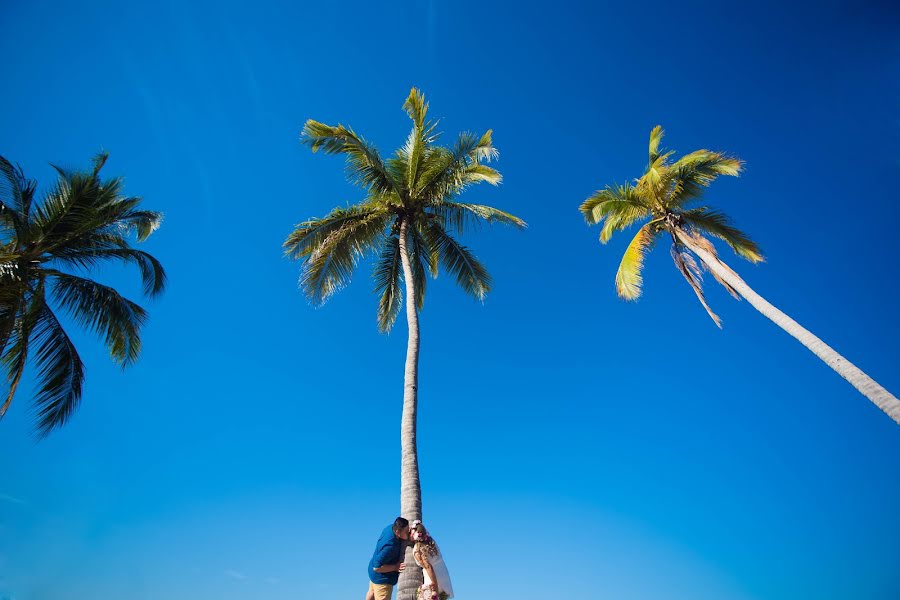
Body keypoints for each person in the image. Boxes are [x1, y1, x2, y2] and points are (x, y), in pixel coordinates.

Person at [366, 517, 410, 600]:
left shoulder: (389, 528)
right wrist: (395, 567)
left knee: (371, 593)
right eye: (406, 532)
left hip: (373, 574)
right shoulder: (390, 547)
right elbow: (377, 568)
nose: (408, 533)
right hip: (381, 580)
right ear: (397, 532)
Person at [411, 520, 454, 600]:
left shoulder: (417, 549)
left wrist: (434, 588)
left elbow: (428, 567)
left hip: (432, 578)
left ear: (414, 534)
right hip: (443, 574)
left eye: (411, 532)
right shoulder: (431, 542)